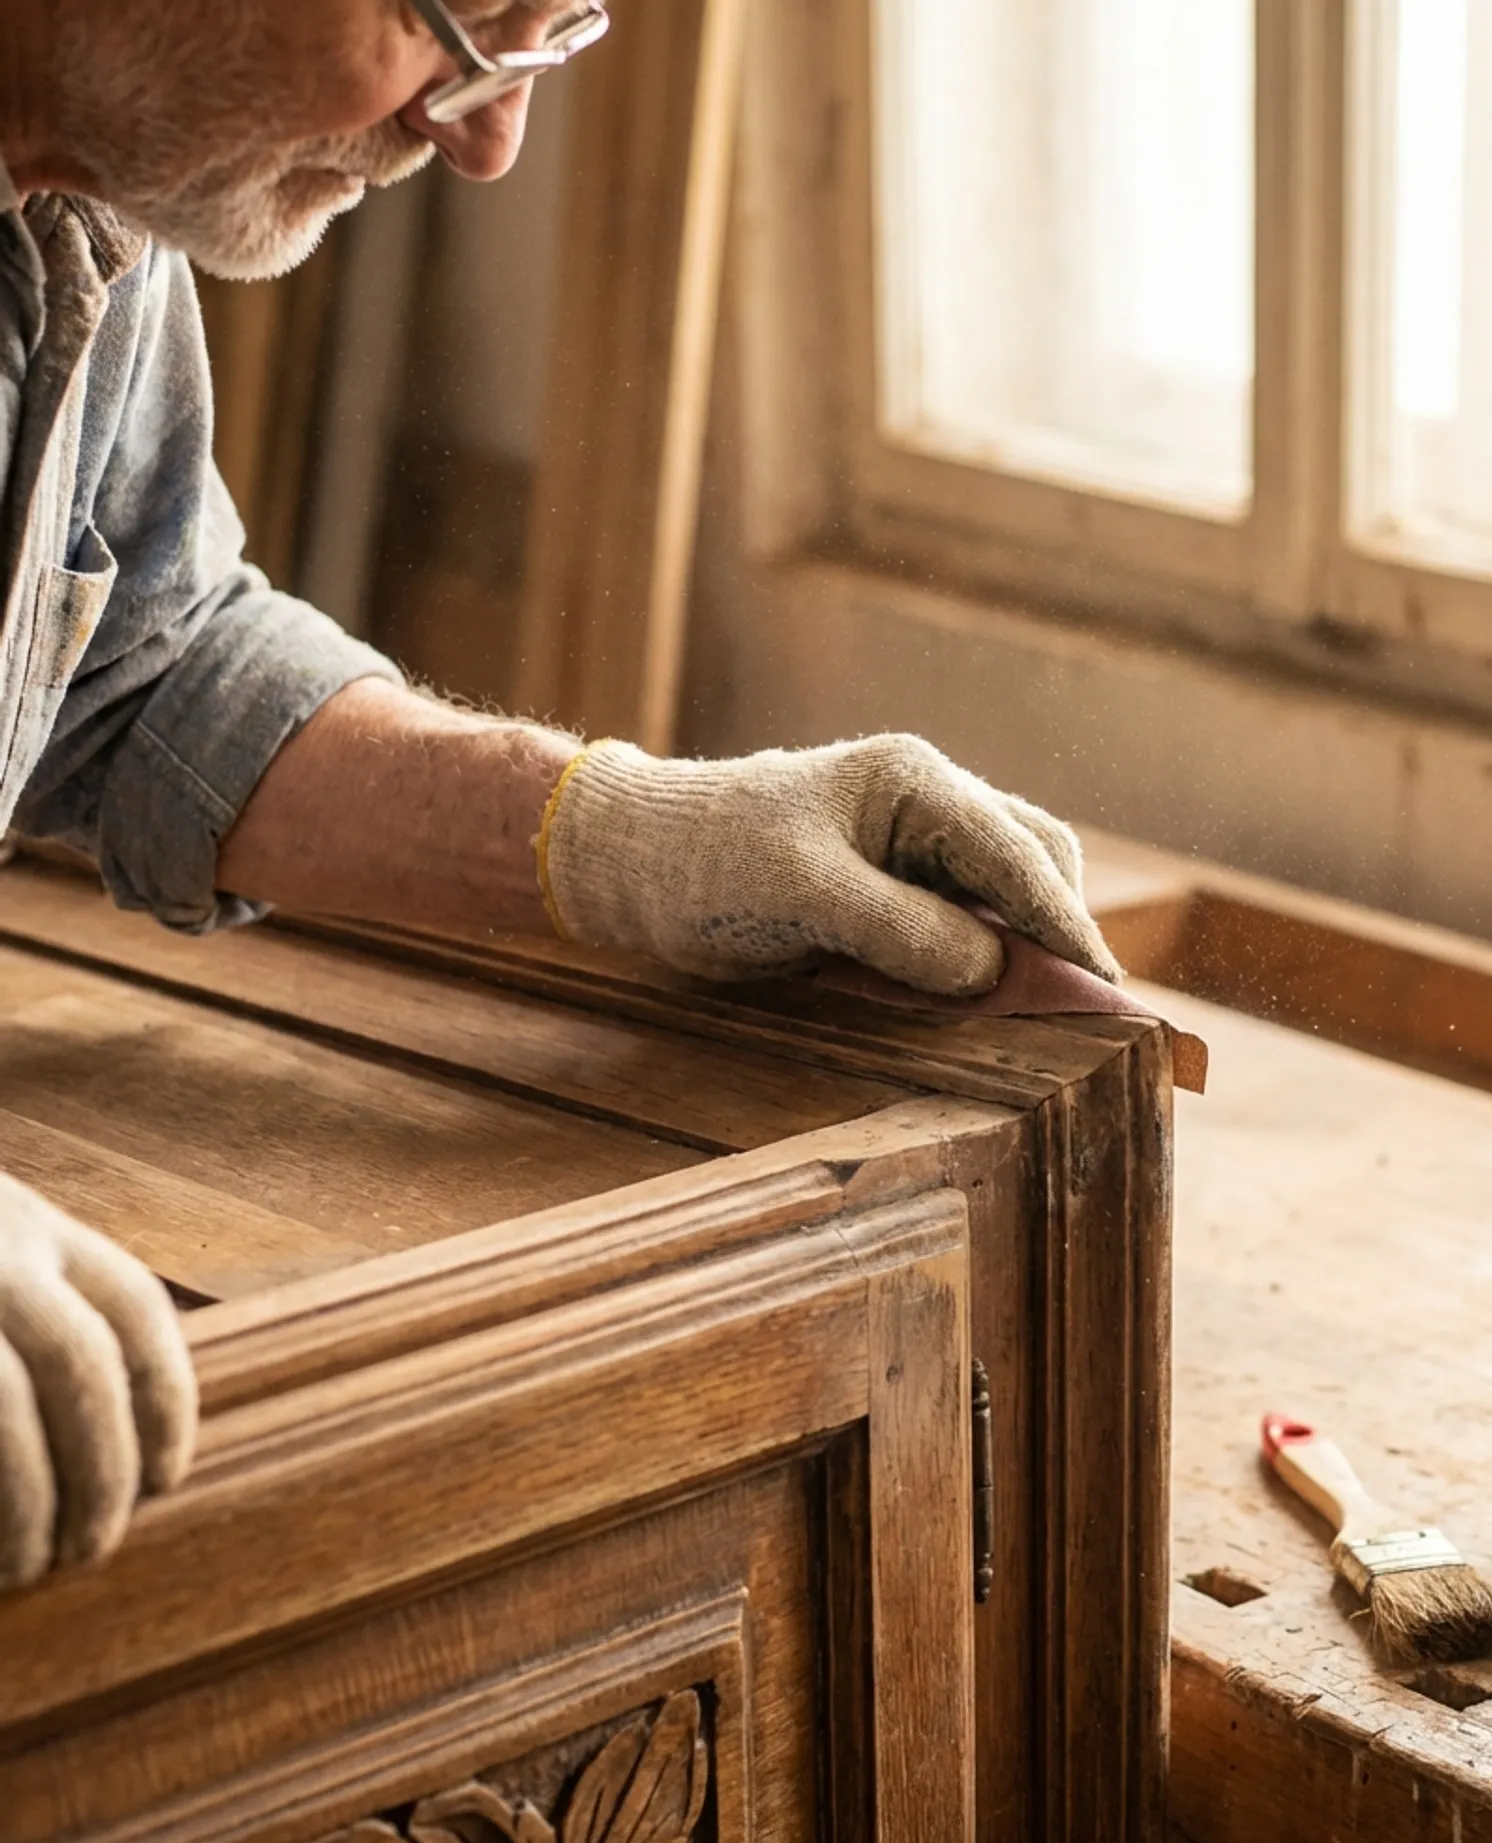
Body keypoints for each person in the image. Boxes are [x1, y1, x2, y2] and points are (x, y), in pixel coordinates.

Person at [0, 0, 1118, 1590]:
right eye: (458, 25)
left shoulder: (93, 204)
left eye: (550, 39)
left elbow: (132, 674)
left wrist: (619, 833)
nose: (485, 132)